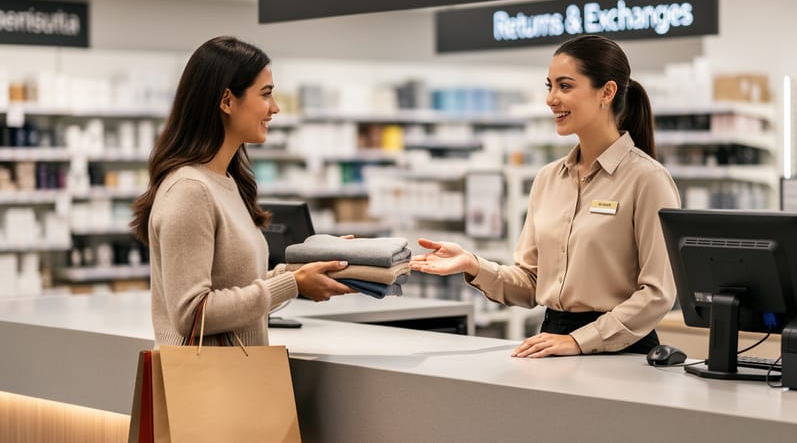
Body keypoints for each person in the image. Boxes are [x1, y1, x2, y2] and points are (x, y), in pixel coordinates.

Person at [410, 34, 680, 358]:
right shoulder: (548, 179)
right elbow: (531, 283)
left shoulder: (647, 179)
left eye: (565, 86)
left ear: (606, 92)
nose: (551, 99)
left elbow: (657, 294)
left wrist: (581, 340)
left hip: (622, 351)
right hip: (553, 341)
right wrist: (473, 265)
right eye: (549, 86)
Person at [131, 35, 353, 347]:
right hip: (205, 389)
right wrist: (291, 284)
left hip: (233, 381)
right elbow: (192, 315)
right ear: (226, 101)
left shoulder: (227, 182)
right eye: (266, 94)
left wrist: (300, 273)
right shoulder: (190, 190)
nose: (274, 108)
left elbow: (240, 292)